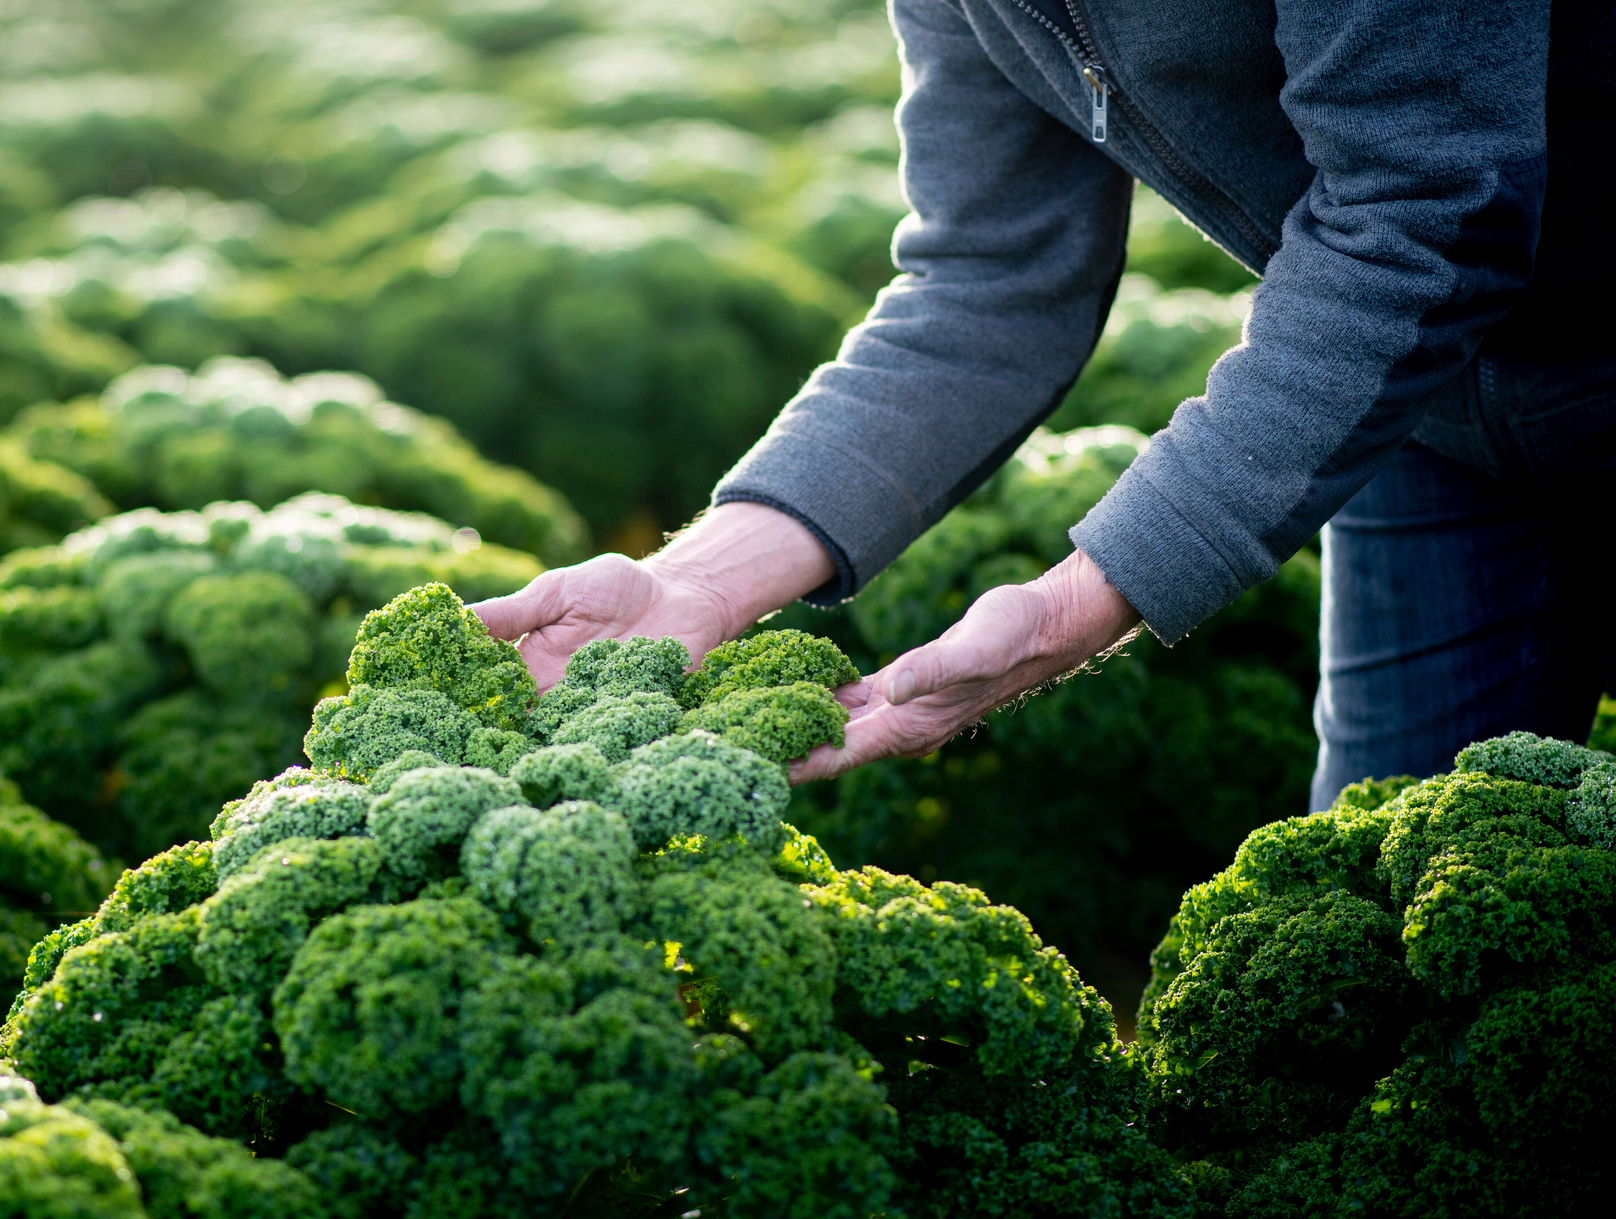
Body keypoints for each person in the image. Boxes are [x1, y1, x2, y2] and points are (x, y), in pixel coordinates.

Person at [476, 0, 1615, 809]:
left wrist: (1083, 599)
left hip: (1472, 334)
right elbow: (991, 272)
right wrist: (696, 581)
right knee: (1378, 971)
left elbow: (1418, 211)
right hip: (1422, 422)